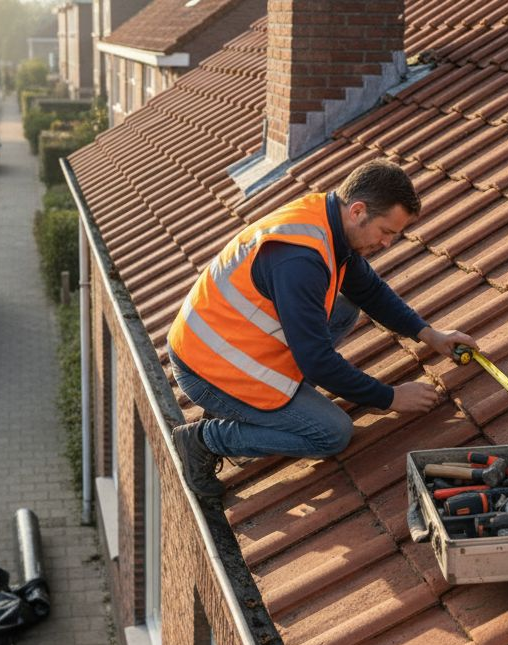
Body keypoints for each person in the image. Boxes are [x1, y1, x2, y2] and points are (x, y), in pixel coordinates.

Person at [167, 159, 476, 501]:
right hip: (208, 369)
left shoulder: (328, 220)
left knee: (344, 308)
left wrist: (430, 334)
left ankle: (271, 407)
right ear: (358, 211)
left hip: (230, 343)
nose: (388, 243)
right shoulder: (300, 259)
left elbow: (369, 290)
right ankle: (204, 440)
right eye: (387, 232)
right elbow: (317, 361)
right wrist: (389, 398)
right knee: (331, 433)